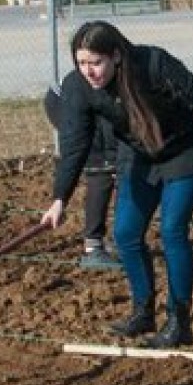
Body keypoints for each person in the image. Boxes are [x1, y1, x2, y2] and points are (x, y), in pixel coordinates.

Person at [41, 21, 193, 348]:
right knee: (126, 234)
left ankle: (178, 320)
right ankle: (143, 310)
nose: (90, 71)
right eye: (82, 63)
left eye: (96, 62)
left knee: (172, 231)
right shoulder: (79, 87)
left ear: (116, 56)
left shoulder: (153, 64)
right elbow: (75, 144)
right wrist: (60, 198)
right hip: (139, 156)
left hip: (184, 151)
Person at [44, 80, 121, 270]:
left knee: (122, 176)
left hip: (106, 126)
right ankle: (93, 248)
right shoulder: (75, 87)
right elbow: (75, 147)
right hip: (75, 115)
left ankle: (123, 241)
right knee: (100, 176)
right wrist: (59, 201)